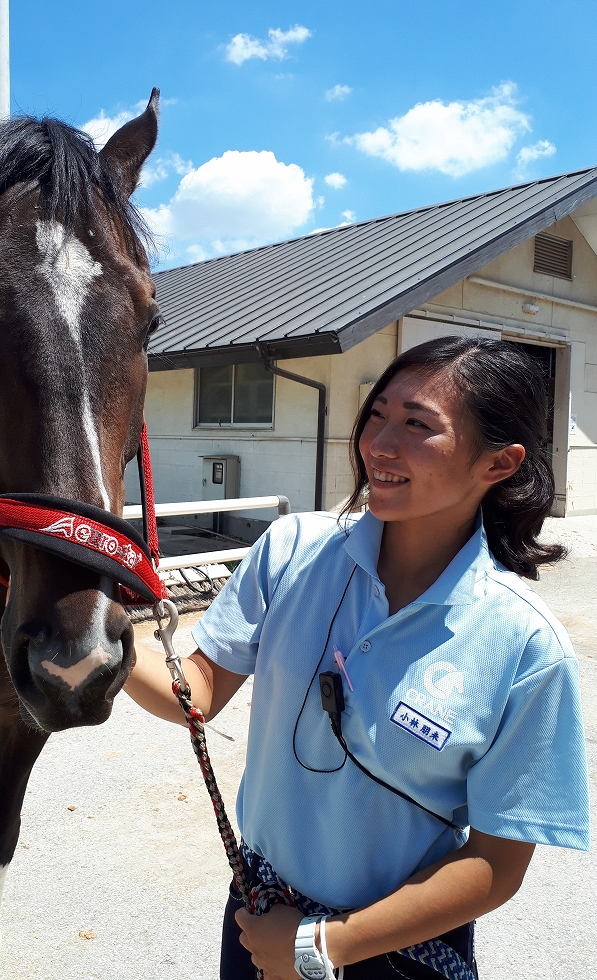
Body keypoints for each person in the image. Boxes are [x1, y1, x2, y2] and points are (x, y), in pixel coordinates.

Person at [124, 336, 590, 980]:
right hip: (262, 915)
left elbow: (496, 866)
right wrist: (99, 632)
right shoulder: (292, 549)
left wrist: (321, 947)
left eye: (417, 425)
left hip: (396, 949)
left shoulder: (528, 646)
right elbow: (196, 692)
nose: (379, 443)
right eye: (377, 413)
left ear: (498, 464)